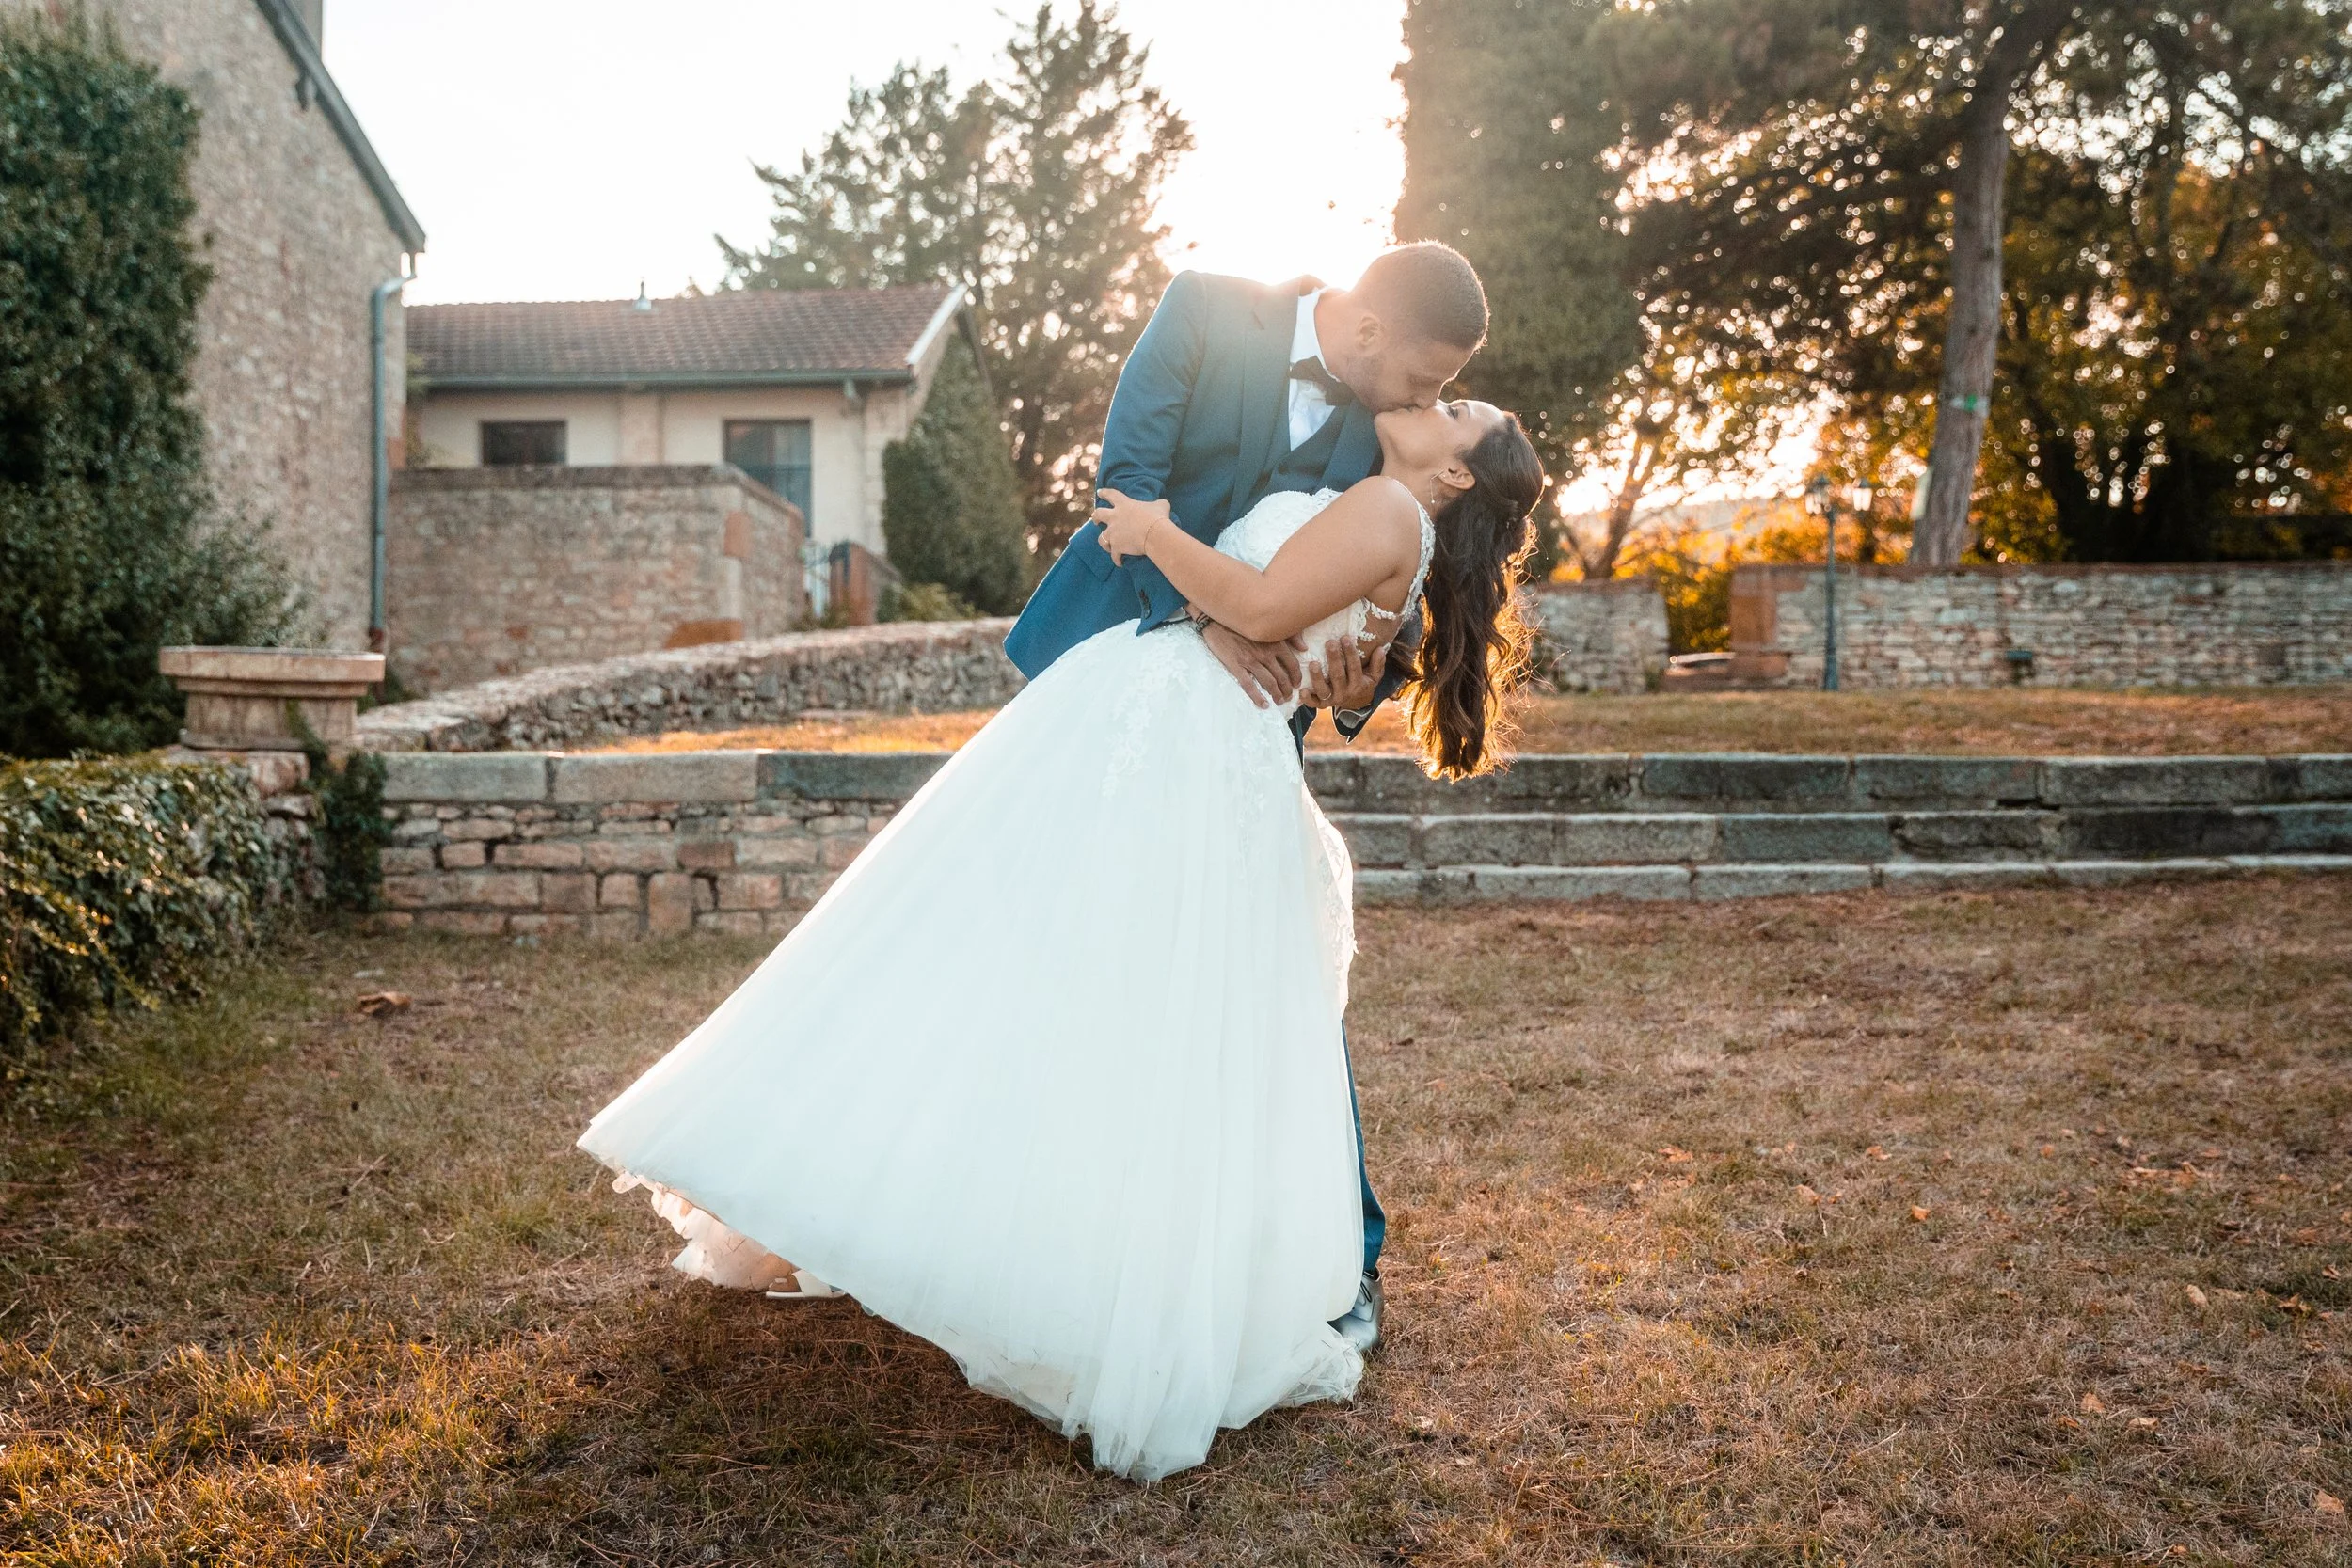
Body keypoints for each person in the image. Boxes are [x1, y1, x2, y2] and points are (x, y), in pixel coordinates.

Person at [579, 395, 1545, 1482]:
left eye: (1460, 409)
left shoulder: (1384, 505)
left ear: (1458, 475)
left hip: (1178, 744)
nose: (1436, 398)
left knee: (1018, 961)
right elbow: (1317, 634)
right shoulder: (1388, 519)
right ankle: (1045, 1244)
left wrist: (1148, 534)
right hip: (1187, 742)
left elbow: (1266, 604)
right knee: (1097, 997)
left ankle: (1012, 1248)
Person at [1004, 244, 1493, 1354]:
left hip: (1234, 731)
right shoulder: (1204, 310)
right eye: (1421, 382)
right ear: (1368, 334)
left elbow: (1393, 570)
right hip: (1112, 678)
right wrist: (1216, 621)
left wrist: (1365, 665)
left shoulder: (1391, 427)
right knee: (1038, 942)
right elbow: (1126, 484)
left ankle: (1338, 1250)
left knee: (1259, 977)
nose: (1423, 404)